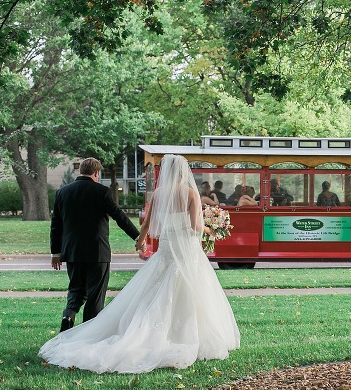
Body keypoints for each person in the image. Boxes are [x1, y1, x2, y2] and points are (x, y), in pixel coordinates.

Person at [40, 154, 240, 373]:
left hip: (161, 250)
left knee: (135, 292)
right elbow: (193, 226)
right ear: (184, 173)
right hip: (183, 251)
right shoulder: (191, 193)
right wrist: (213, 230)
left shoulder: (159, 194)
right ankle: (184, 335)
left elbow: (147, 223)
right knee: (191, 292)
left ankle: (75, 321)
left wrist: (141, 241)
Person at [48, 157, 140, 332]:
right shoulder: (101, 192)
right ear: (97, 173)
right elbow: (119, 216)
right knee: (95, 296)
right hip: (97, 253)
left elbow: (56, 225)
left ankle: (68, 316)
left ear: (80, 170)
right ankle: (88, 334)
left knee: (75, 290)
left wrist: (55, 253)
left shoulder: (62, 192)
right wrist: (137, 237)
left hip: (72, 252)